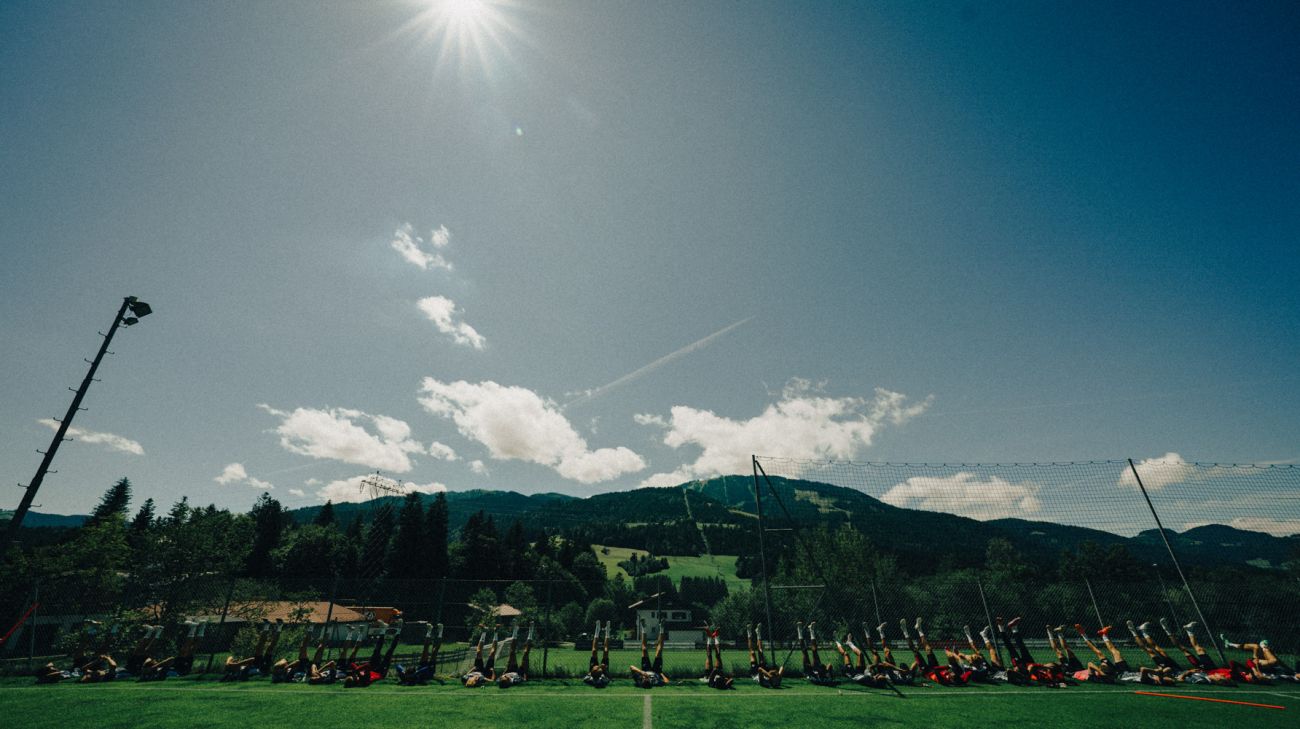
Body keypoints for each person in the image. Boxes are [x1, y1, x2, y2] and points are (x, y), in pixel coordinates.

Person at [903, 618, 966, 686]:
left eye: (953, 675)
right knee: (928, 649)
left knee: (915, 650)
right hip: (934, 666)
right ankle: (919, 628)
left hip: (927, 672)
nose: (952, 673)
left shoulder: (944, 681)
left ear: (952, 679)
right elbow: (966, 676)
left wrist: (948, 666)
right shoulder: (954, 678)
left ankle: (904, 630)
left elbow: (936, 670)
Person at [344, 622, 401, 688]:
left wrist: (355, 671)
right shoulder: (363, 680)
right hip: (380, 672)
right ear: (354, 681)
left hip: (373, 668)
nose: (354, 676)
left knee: (377, 650)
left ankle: (383, 630)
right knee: (389, 652)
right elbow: (367, 666)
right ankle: (398, 632)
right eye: (353, 677)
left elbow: (352, 664)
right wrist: (357, 670)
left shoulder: (358, 676)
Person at [1221, 631, 1295, 679]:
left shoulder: (1269, 653)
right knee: (1255, 646)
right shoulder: (1257, 649)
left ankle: (1230, 644)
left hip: (1264, 664)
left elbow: (1277, 662)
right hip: (1258, 663)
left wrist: (1291, 671)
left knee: (1268, 657)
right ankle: (1230, 644)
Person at [629, 620, 669, 689]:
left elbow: (631, 667)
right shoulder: (655, 682)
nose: (645, 679)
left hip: (645, 669)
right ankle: (662, 628)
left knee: (644, 649)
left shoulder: (639, 680)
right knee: (659, 651)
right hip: (657, 671)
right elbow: (666, 682)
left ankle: (643, 628)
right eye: (646, 680)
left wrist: (642, 673)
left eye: (644, 679)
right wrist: (661, 674)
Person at [746, 624, 784, 689]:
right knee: (760, 651)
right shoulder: (776, 681)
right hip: (766, 671)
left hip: (755, 673)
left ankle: (749, 633)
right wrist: (779, 675)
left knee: (752, 652)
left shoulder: (764, 682)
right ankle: (758, 633)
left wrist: (769, 675)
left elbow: (759, 669)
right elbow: (782, 668)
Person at [498, 623, 534, 688]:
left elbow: (501, 676)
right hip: (519, 673)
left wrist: (505, 672)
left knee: (512, 652)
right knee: (525, 653)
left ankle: (515, 630)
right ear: (507, 681)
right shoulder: (515, 681)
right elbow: (523, 679)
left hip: (510, 669)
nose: (504, 677)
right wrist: (525, 672)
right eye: (505, 679)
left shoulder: (500, 680)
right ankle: (531, 630)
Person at [582, 621, 612, 688]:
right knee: (606, 651)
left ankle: (597, 630)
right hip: (603, 670)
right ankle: (607, 631)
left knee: (594, 651)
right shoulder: (603, 680)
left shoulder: (590, 679)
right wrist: (603, 669)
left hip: (593, 670)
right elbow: (608, 679)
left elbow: (585, 679)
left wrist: (593, 671)